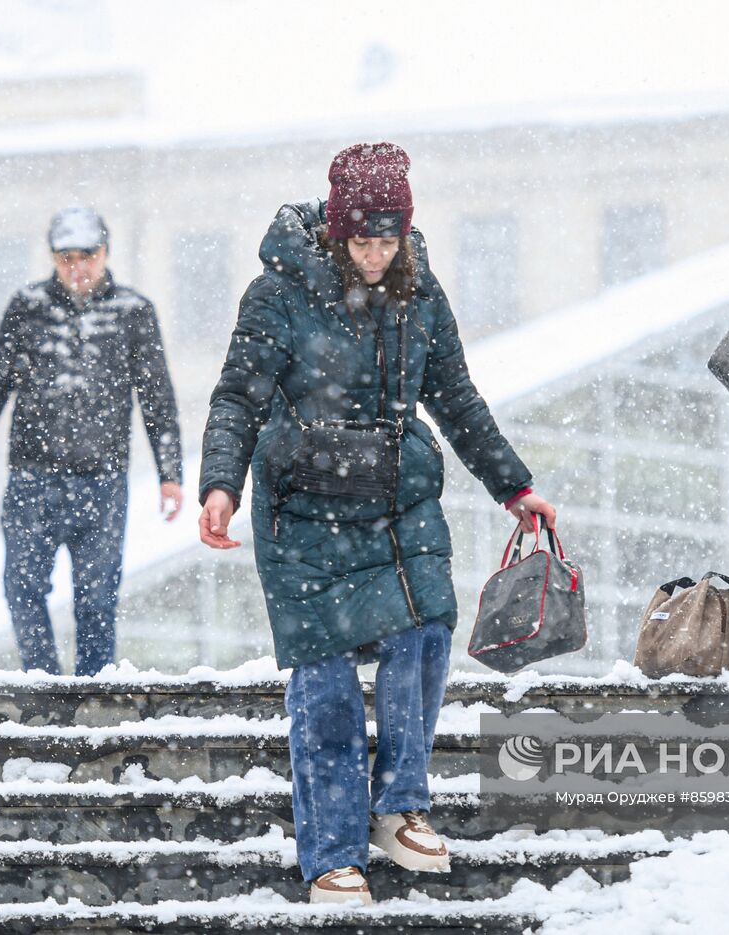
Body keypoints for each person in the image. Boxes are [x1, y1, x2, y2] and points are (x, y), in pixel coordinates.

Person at [198, 142, 555, 905]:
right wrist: (221, 484)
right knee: (324, 678)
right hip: (302, 508)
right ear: (335, 232)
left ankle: (399, 806)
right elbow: (237, 397)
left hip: (396, 501)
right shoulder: (278, 294)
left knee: (425, 629)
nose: (373, 253)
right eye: (360, 238)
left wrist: (513, 485)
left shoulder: (420, 295)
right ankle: (332, 851)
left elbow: (456, 397)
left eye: (386, 239)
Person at [0, 207, 183, 677]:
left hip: (103, 480)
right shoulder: (28, 307)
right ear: (53, 259)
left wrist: (170, 475)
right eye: (66, 257)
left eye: (87, 256)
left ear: (105, 253)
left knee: (97, 595)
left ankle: (94, 691)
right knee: (22, 586)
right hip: (33, 477)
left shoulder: (134, 312)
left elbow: (157, 396)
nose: (77, 267)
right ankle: (43, 684)